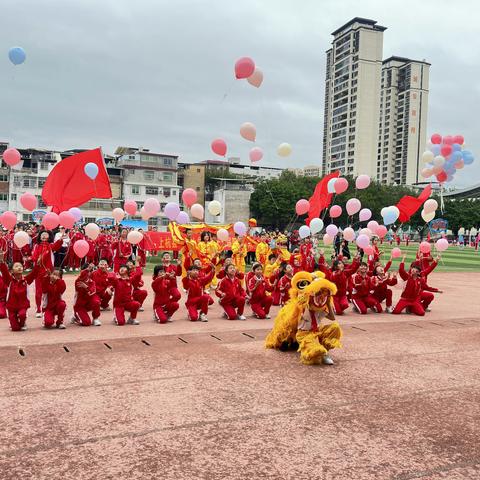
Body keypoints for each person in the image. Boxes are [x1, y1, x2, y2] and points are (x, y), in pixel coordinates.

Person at [0, 251, 38, 331]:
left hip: (22, 305)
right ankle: (15, 323)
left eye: (21, 266)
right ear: (12, 271)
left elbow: (34, 273)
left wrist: (38, 265)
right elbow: (4, 272)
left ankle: (22, 322)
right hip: (11, 306)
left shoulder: (26, 280)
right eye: (16, 266)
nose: (19, 267)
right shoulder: (9, 280)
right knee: (15, 328)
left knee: (22, 314)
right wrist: (2, 261)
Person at [31, 230, 64, 318]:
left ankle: (47, 307)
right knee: (38, 291)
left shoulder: (50, 246)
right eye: (42, 234)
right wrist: (36, 259)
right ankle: (38, 309)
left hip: (48, 271)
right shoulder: (36, 246)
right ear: (39, 236)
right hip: (38, 271)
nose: (44, 236)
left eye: (46, 235)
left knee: (49, 290)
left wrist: (60, 240)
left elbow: (56, 246)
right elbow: (33, 256)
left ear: (49, 237)